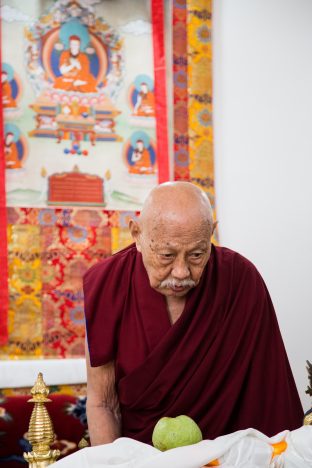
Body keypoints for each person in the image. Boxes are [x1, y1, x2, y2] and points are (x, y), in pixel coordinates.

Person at [84, 182, 303, 447]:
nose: (181, 272)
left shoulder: (240, 281)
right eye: (167, 255)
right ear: (136, 234)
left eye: (197, 254)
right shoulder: (109, 285)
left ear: (212, 233)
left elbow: (269, 396)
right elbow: (103, 403)